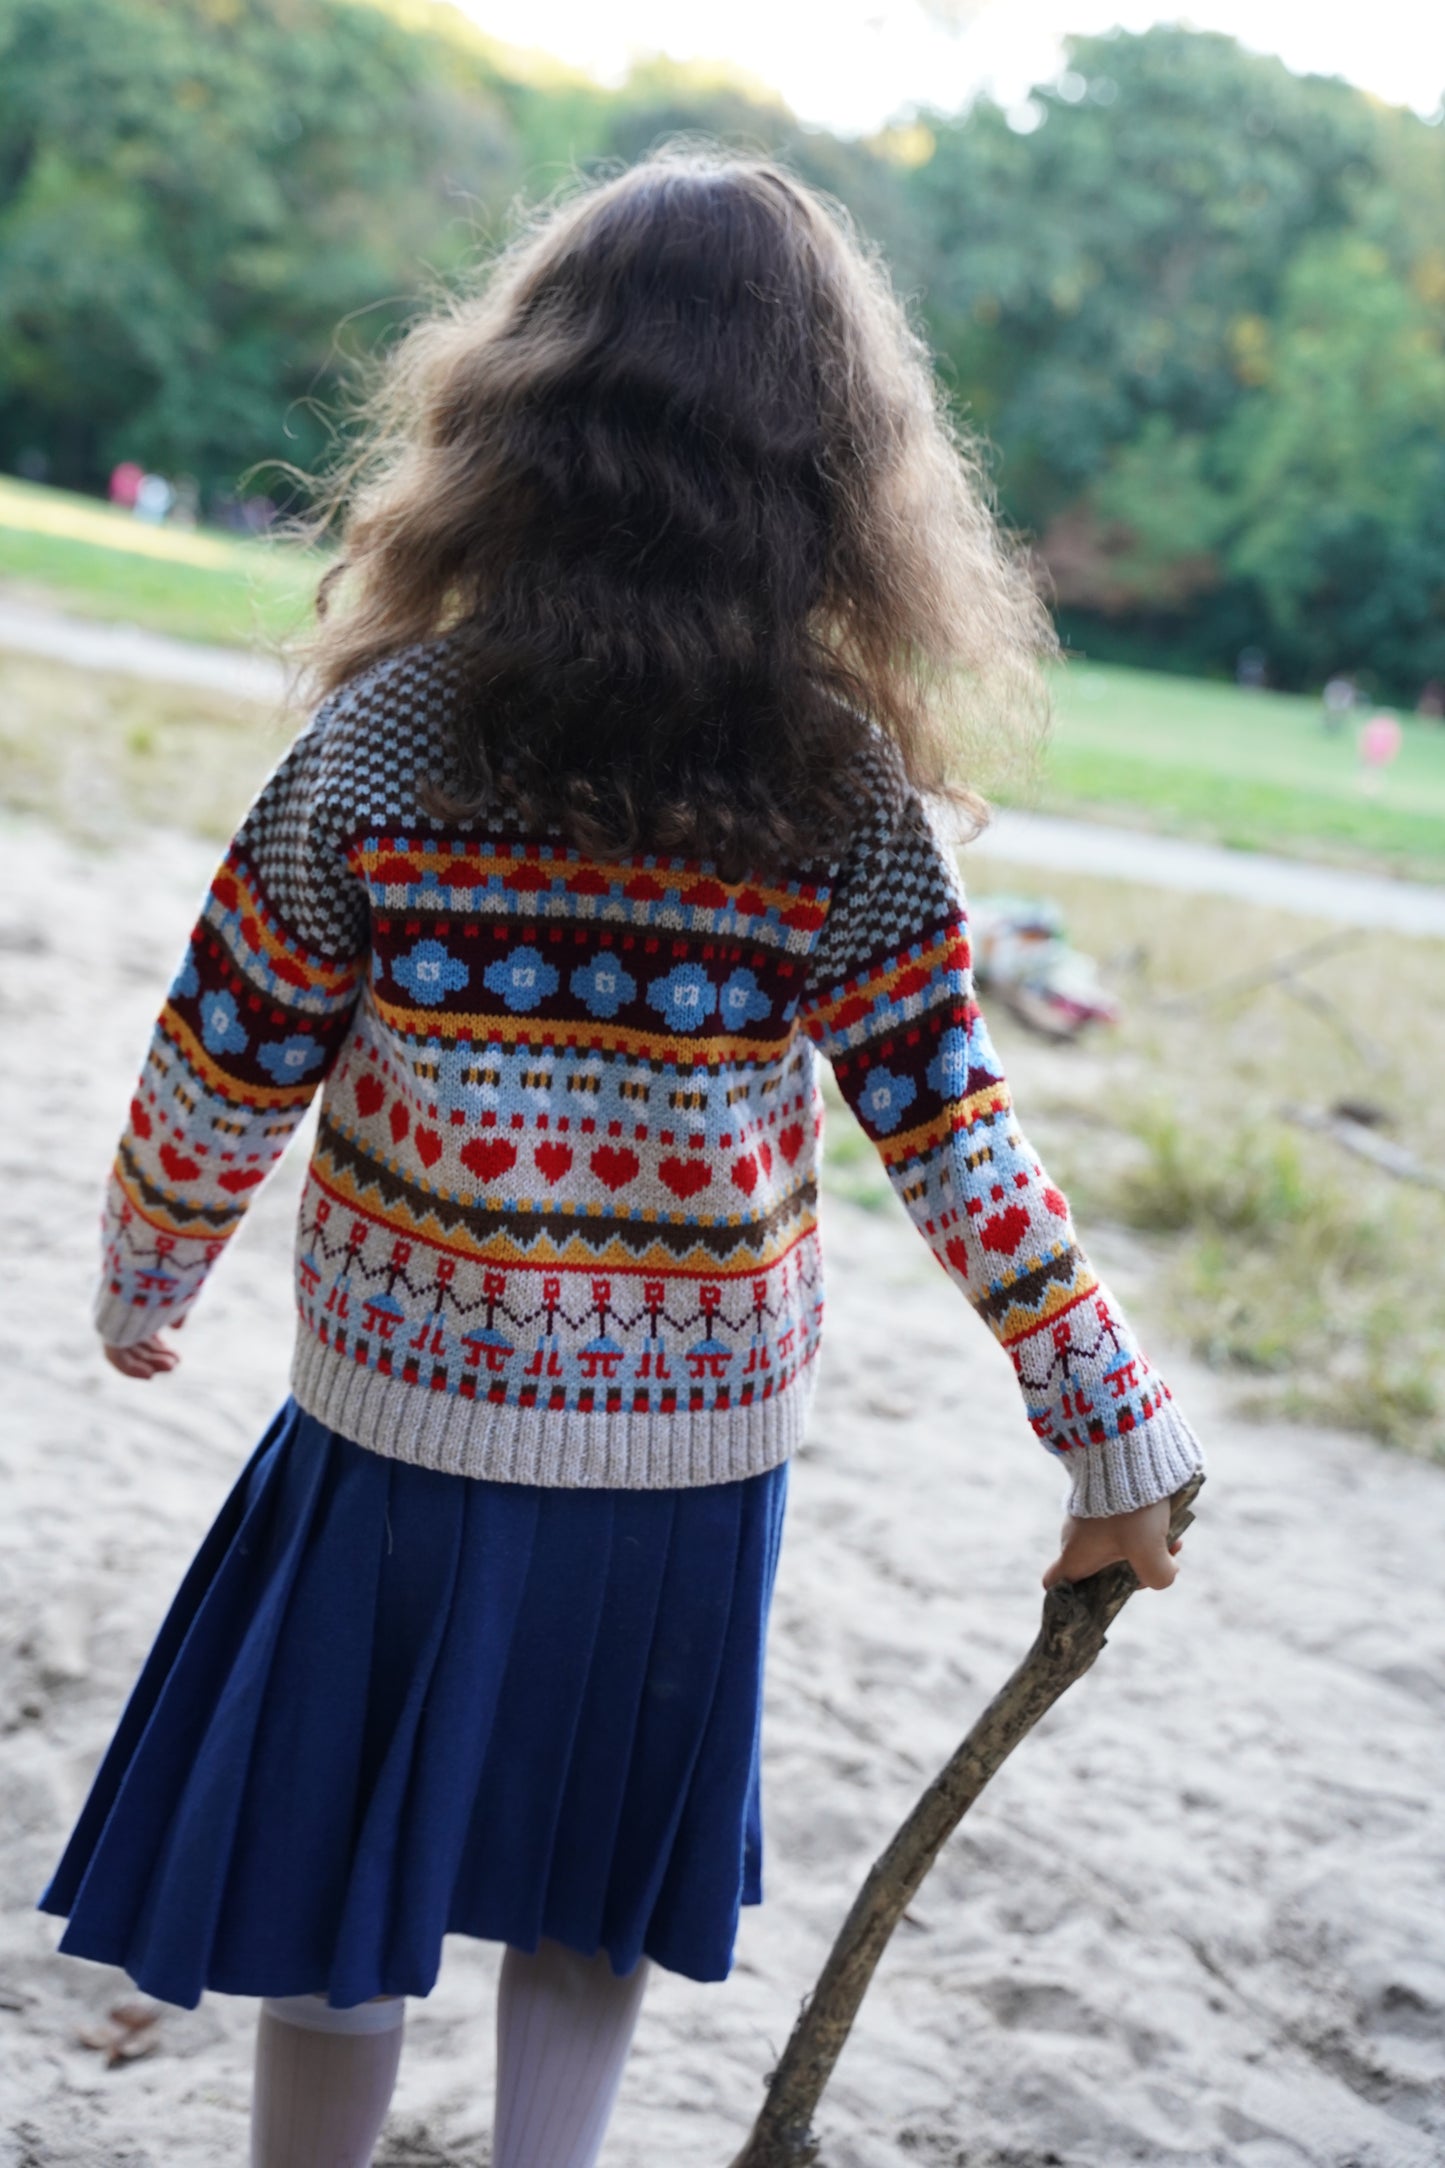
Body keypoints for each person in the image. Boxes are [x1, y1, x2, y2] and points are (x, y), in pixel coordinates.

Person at [42, 151, 1203, 2168]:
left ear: (522, 420)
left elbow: (226, 1038)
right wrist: (1110, 1425)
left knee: (340, 1879)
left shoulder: (391, 737)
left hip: (404, 1416)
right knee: (588, 1892)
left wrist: (152, 1268)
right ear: (834, 475)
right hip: (689, 1449)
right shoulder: (839, 791)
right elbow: (953, 1129)